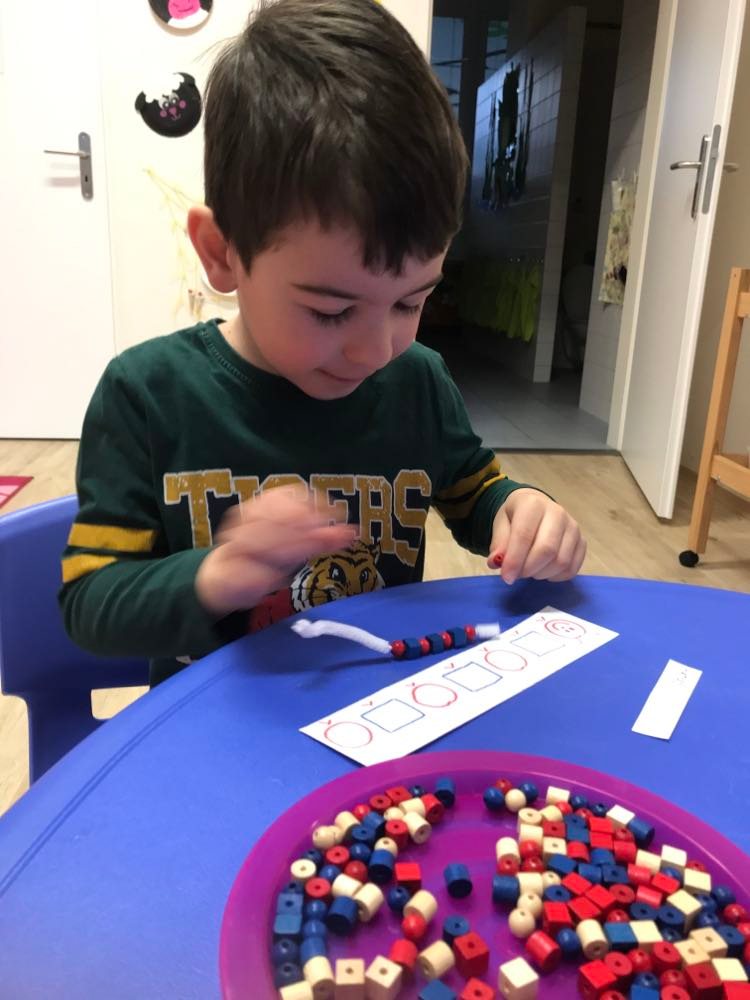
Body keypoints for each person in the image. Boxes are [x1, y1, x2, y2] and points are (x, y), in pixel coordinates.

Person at [59, 0, 585, 687]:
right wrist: (216, 574)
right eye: (331, 311)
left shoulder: (419, 382)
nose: (377, 350)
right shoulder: (147, 396)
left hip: (380, 710)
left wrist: (522, 511)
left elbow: (475, 495)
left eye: (411, 301)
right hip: (218, 718)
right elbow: (91, 604)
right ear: (221, 253)